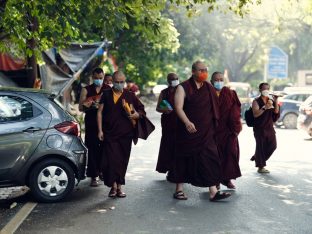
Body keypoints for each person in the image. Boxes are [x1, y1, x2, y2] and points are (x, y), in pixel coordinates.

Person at [167, 61, 231, 201]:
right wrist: (187, 122)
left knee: (211, 158)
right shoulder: (183, 87)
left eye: (205, 70)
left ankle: (213, 191)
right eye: (201, 70)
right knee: (183, 159)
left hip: (206, 131)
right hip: (188, 130)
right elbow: (178, 107)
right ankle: (179, 189)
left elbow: (215, 106)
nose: (204, 73)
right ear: (193, 72)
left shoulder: (208, 87)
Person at [97, 71, 146, 198]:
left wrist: (136, 114)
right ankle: (113, 187)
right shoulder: (106, 94)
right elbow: (100, 112)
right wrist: (100, 130)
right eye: (117, 82)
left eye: (122, 82)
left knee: (122, 160)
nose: (119, 84)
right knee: (111, 160)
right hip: (110, 133)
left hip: (126, 134)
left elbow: (141, 109)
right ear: (112, 81)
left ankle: (119, 187)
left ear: (124, 82)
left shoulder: (130, 95)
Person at [210, 72, 242, 189]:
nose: (219, 82)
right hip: (213, 130)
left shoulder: (230, 93)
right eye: (216, 80)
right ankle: (216, 181)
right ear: (212, 81)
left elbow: (236, 111)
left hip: (228, 130)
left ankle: (227, 179)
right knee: (215, 156)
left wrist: (236, 127)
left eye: (221, 79)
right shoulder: (208, 93)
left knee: (230, 154)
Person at [79, 67, 105, 186]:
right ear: (92, 77)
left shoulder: (108, 89)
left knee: (105, 148)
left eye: (100, 78)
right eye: (96, 78)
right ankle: (93, 176)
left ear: (103, 77)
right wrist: (90, 106)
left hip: (106, 123)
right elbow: (80, 107)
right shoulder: (86, 90)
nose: (98, 80)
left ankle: (103, 172)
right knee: (92, 149)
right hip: (91, 123)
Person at [251, 82, 280, 173]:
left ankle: (257, 157)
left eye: (268, 88)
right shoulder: (256, 101)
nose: (266, 90)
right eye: (264, 89)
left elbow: (275, 112)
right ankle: (260, 166)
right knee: (260, 147)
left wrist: (276, 101)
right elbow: (255, 114)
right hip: (259, 128)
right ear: (260, 90)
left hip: (269, 127)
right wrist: (264, 107)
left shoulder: (270, 100)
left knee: (273, 146)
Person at [155, 73, 179, 174]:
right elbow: (158, 108)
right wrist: (165, 110)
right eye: (172, 79)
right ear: (168, 81)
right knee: (167, 144)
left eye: (176, 79)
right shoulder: (164, 92)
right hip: (167, 122)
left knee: (178, 145)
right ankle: (168, 168)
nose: (174, 80)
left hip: (179, 122)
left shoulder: (182, 90)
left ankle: (178, 168)